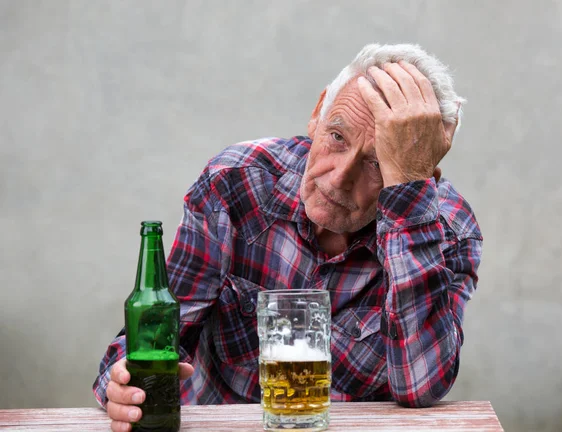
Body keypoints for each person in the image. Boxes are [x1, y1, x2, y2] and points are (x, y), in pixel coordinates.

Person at [94, 43, 483, 432]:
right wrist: (124, 383)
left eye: (377, 164)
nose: (338, 178)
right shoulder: (236, 182)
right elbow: (155, 335)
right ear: (317, 114)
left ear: (418, 177)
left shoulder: (451, 231)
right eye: (337, 137)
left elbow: (421, 385)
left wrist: (408, 203)